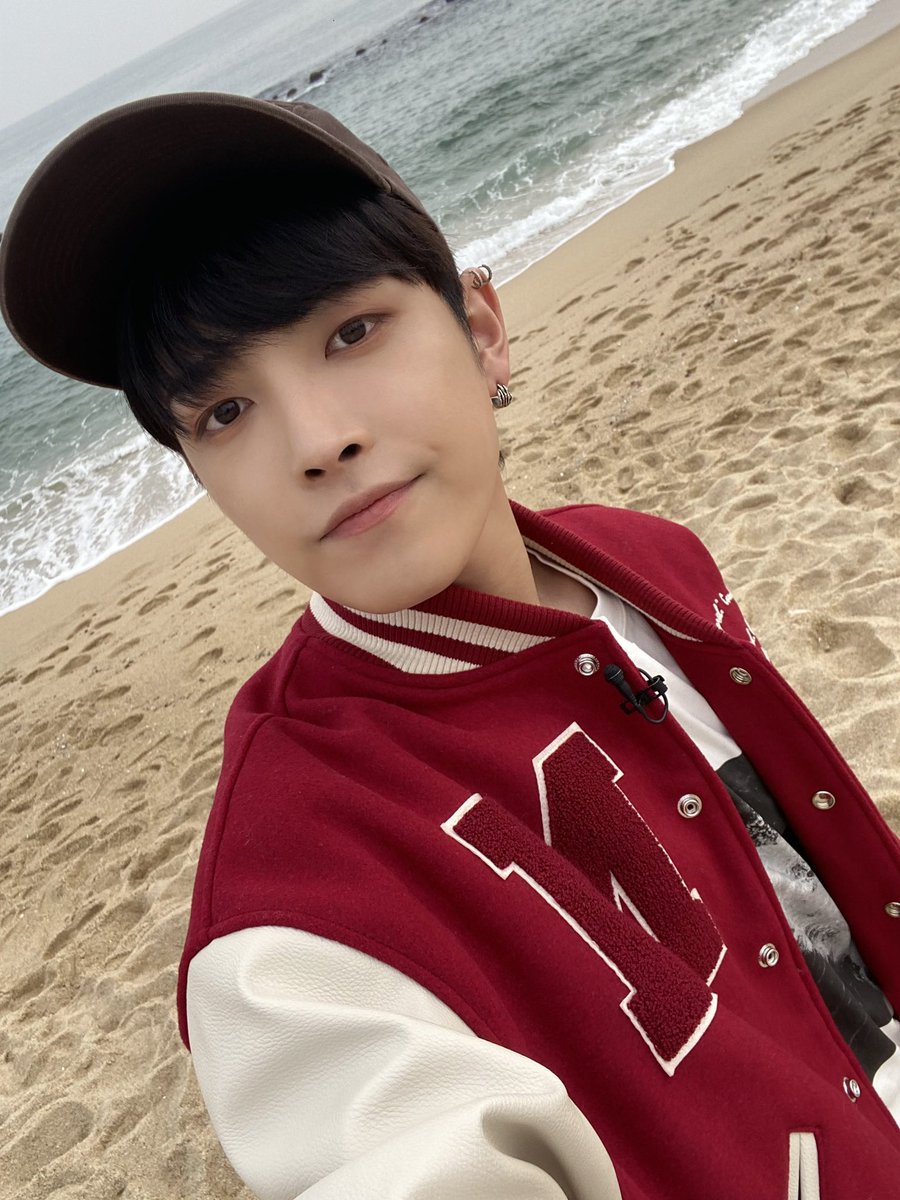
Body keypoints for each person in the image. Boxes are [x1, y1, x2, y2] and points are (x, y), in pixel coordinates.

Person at [1, 92, 899, 1200]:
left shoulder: (653, 561)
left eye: (350, 333)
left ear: (482, 332)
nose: (318, 441)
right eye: (224, 412)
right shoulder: (295, 913)